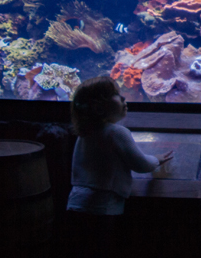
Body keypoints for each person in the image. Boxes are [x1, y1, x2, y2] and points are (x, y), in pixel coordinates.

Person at [67, 76, 174, 258]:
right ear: (99, 107)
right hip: (102, 206)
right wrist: (156, 159)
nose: (123, 98)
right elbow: (140, 164)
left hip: (76, 201)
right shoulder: (117, 132)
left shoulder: (85, 133)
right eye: (116, 95)